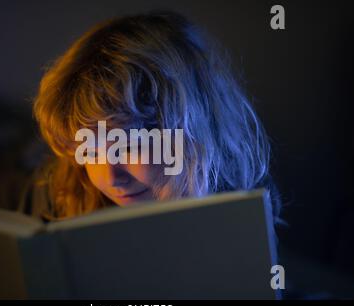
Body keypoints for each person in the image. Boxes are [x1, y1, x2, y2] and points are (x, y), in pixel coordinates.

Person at [29, 11, 281, 222]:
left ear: (194, 134)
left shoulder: (243, 236)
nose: (110, 177)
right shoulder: (65, 202)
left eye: (128, 146)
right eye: (91, 152)